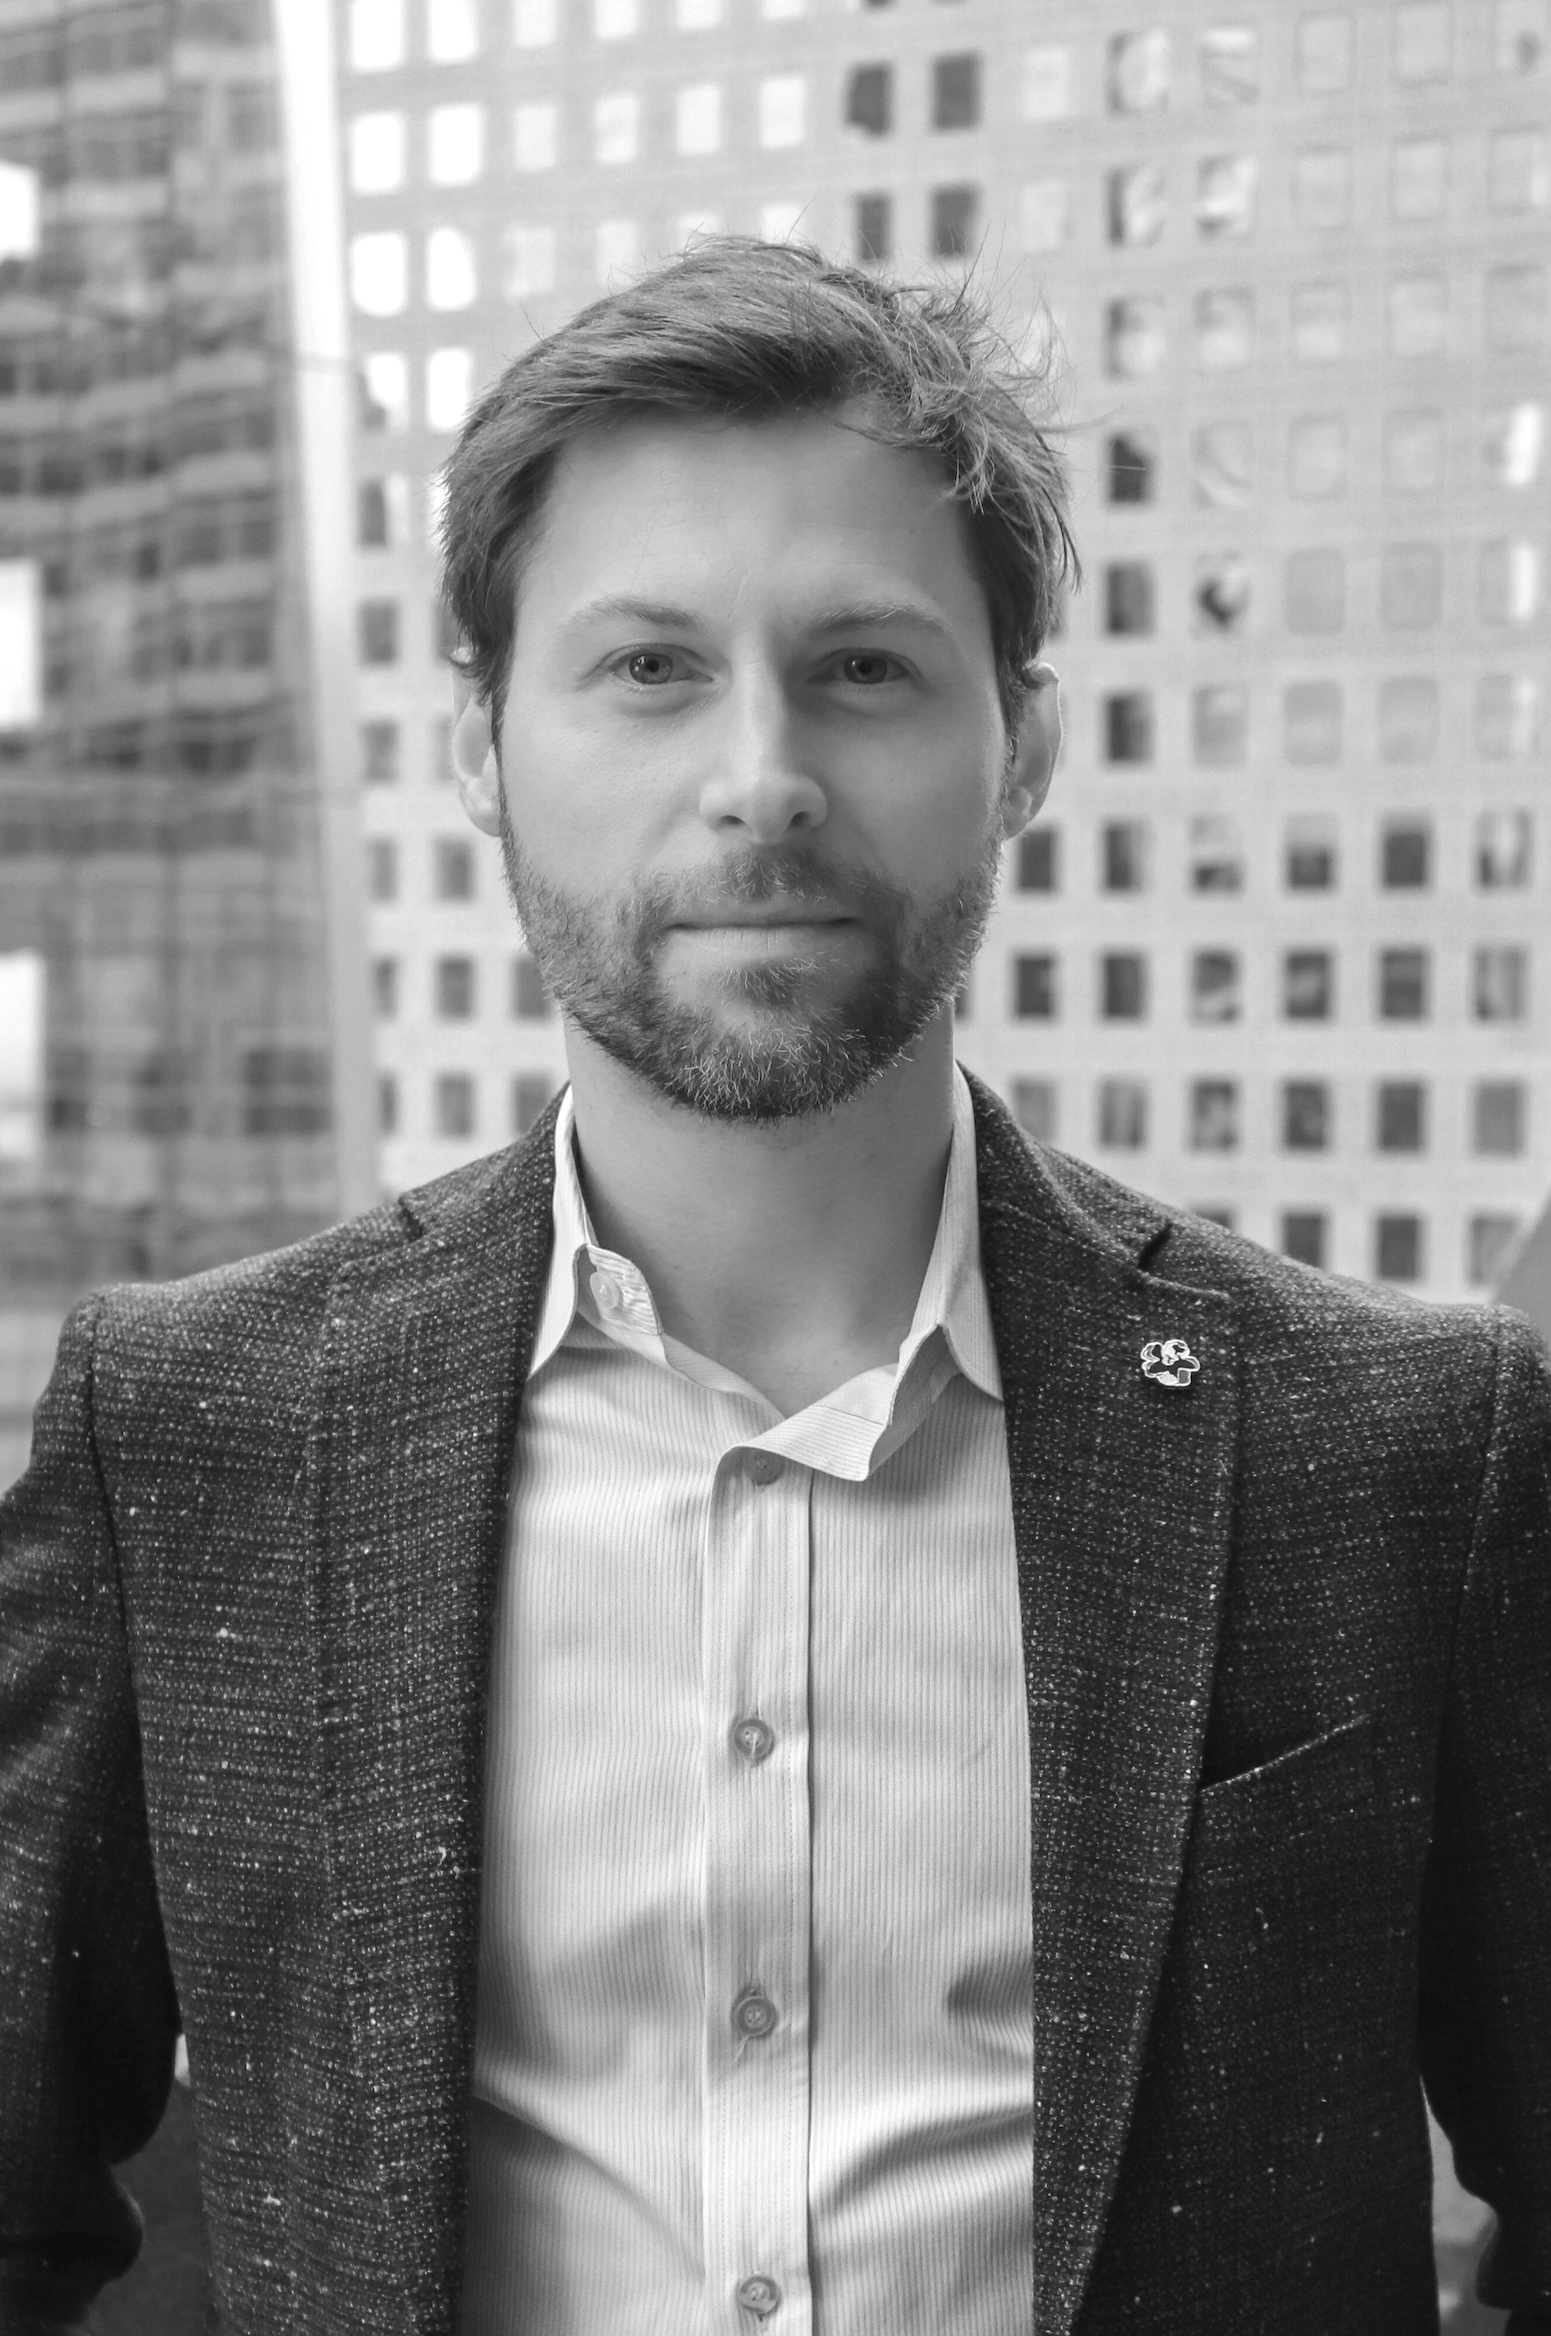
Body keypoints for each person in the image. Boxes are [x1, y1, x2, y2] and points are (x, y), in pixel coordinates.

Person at [1, 238, 1548, 2336]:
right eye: (650, 666)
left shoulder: (1400, 1453)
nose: (762, 775)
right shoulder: (194, 1432)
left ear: (1022, 743)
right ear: (480, 745)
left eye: (864, 667)